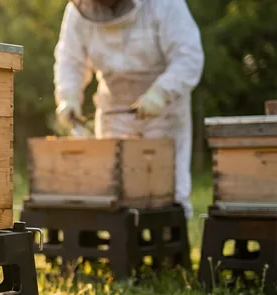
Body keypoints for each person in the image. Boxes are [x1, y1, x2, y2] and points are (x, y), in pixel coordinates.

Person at [53, 0, 204, 219]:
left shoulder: (165, 4)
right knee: (115, 192)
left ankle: (170, 249)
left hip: (164, 111)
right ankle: (125, 250)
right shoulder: (78, 11)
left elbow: (188, 56)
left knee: (167, 192)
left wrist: (160, 93)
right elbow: (69, 59)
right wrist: (68, 96)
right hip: (113, 109)